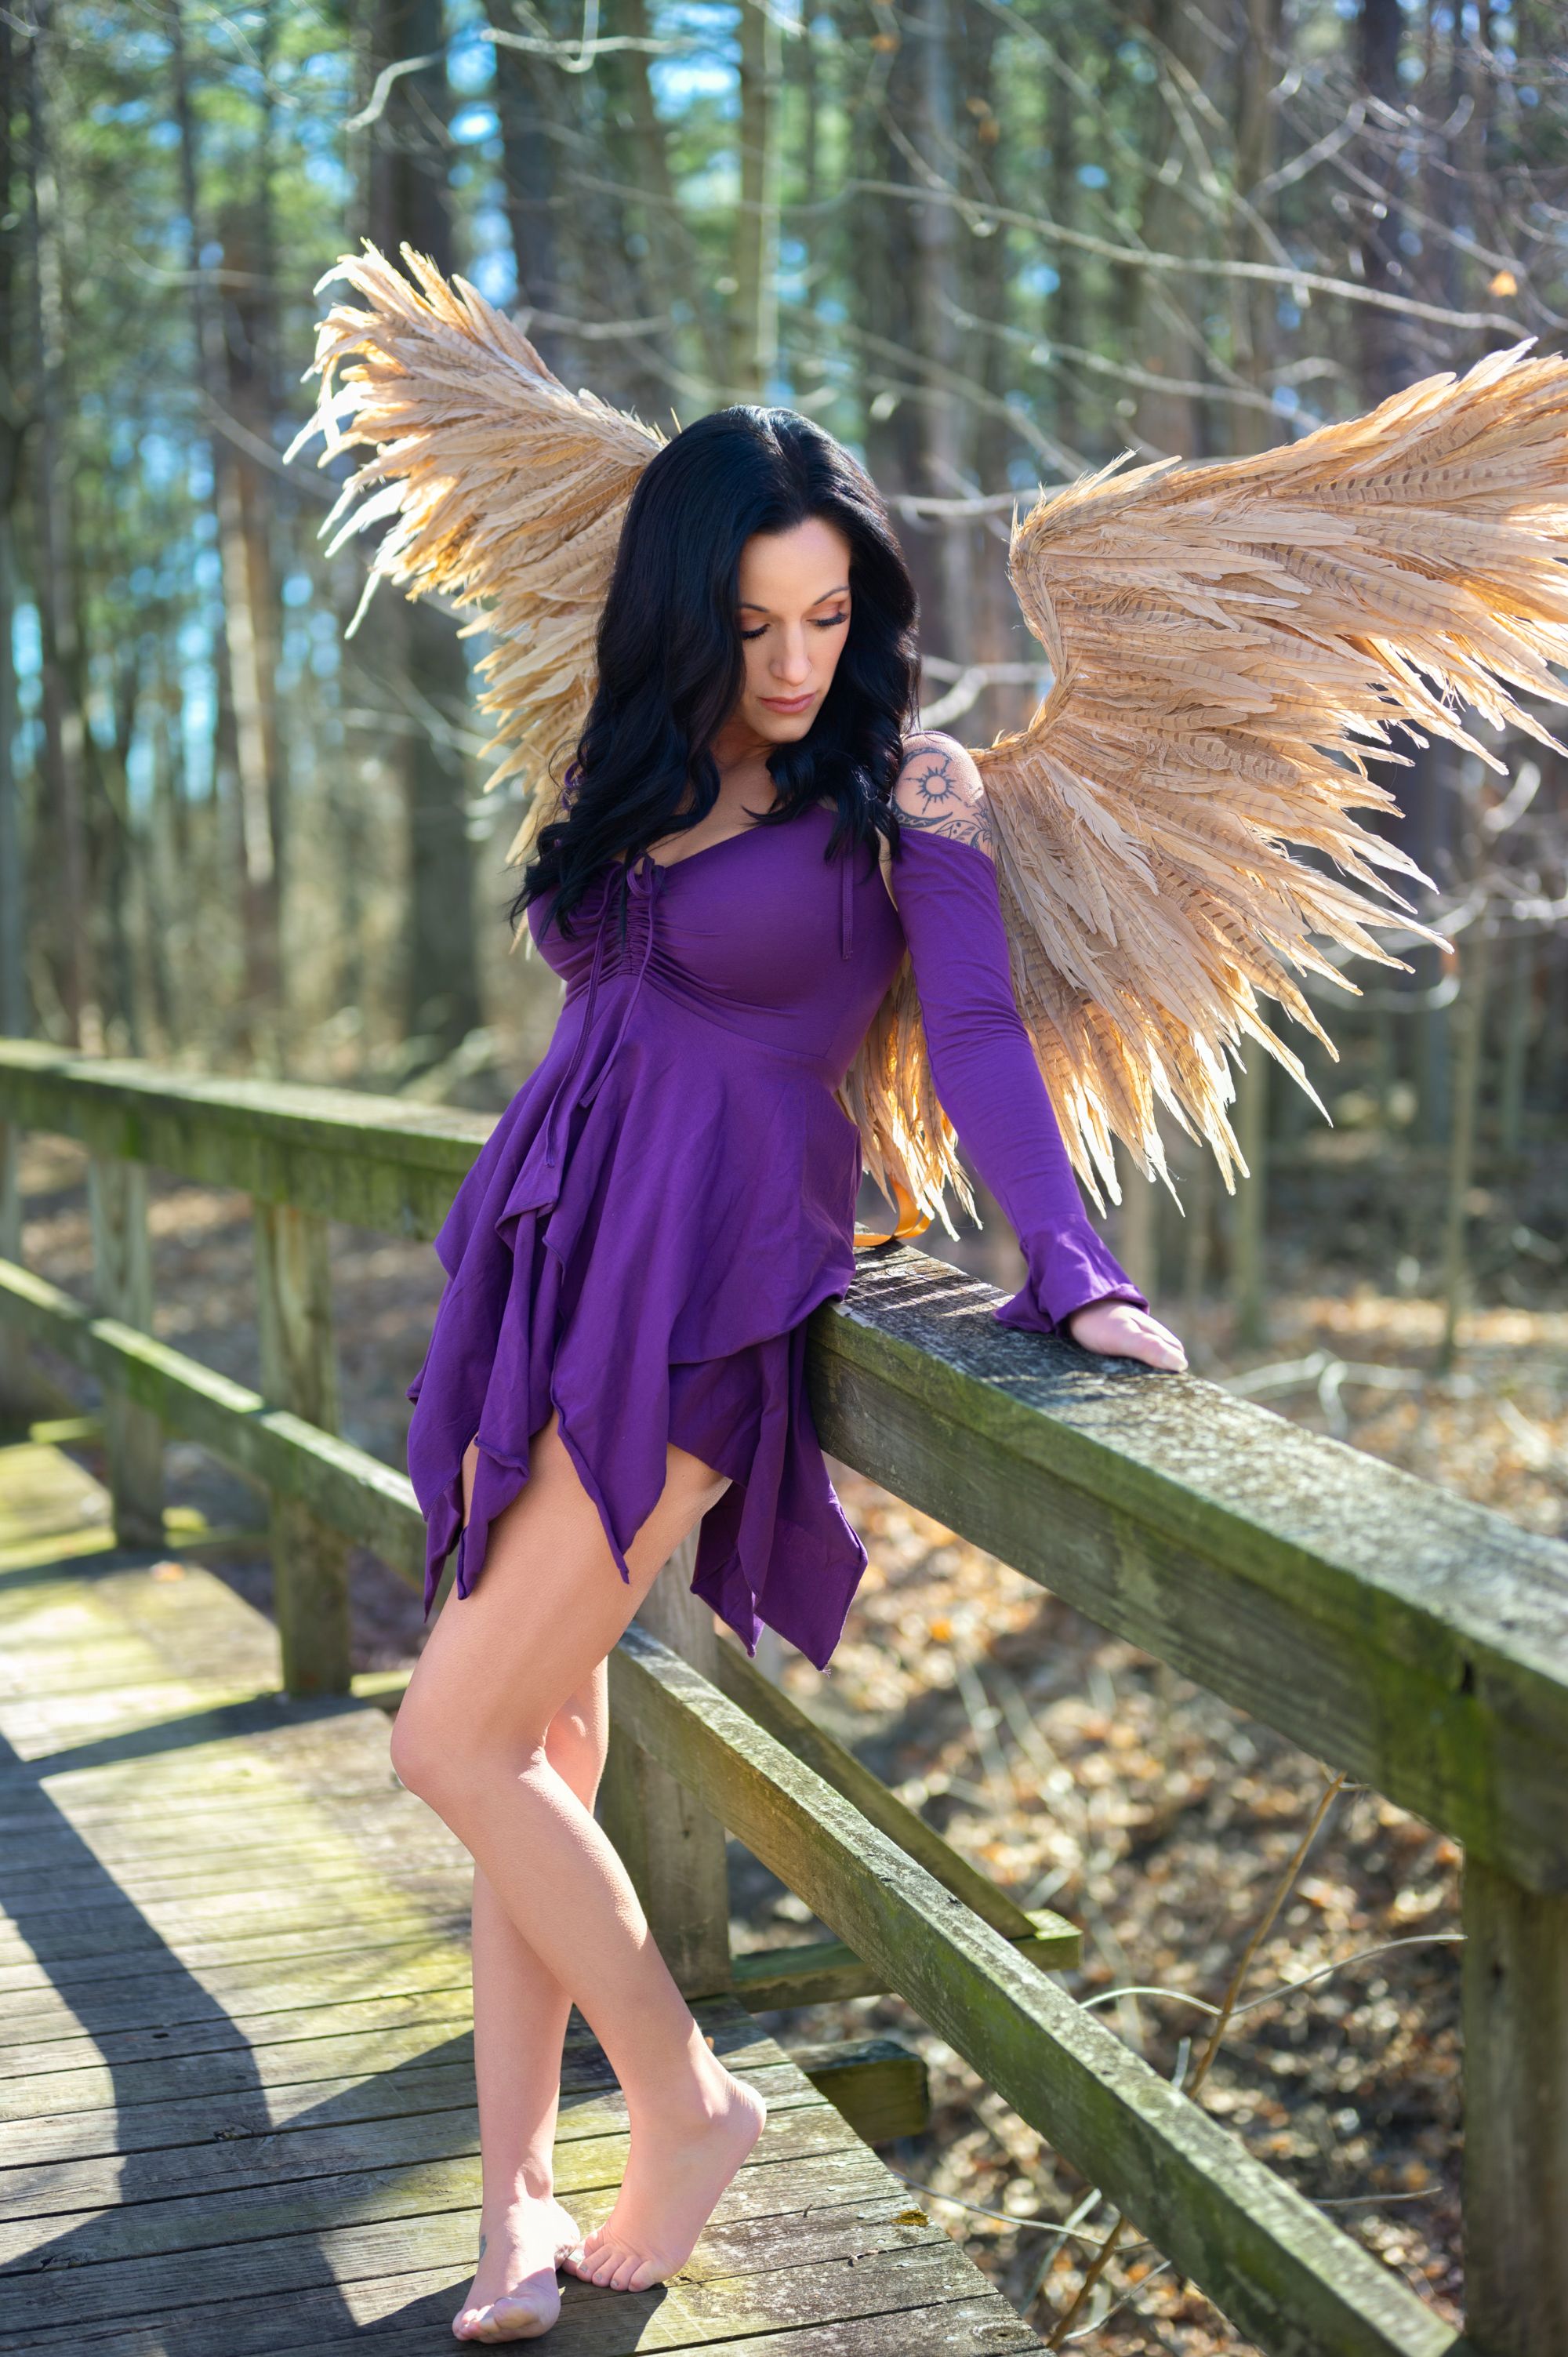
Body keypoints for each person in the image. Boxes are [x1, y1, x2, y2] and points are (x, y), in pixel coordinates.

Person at [387, 406, 1185, 2343]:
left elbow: (979, 1035)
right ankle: (508, 2206)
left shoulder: (900, 795)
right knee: (540, 1749)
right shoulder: (633, 768)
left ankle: (685, 2100)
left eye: (831, 615)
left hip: (710, 1268)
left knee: (450, 1742)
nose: (800, 663)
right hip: (559, 1244)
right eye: (756, 624)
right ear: (686, 614)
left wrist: (1063, 1262)